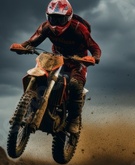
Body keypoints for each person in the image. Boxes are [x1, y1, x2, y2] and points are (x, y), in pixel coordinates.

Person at [11, 0, 101, 134]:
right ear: (48, 16)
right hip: (57, 58)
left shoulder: (79, 29)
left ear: (69, 17)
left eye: (61, 19)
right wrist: (21, 47)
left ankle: (74, 119)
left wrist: (93, 58)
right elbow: (32, 41)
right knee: (41, 75)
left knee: (75, 85)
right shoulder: (46, 27)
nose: (56, 23)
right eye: (53, 18)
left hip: (78, 61)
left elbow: (95, 48)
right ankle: (29, 108)